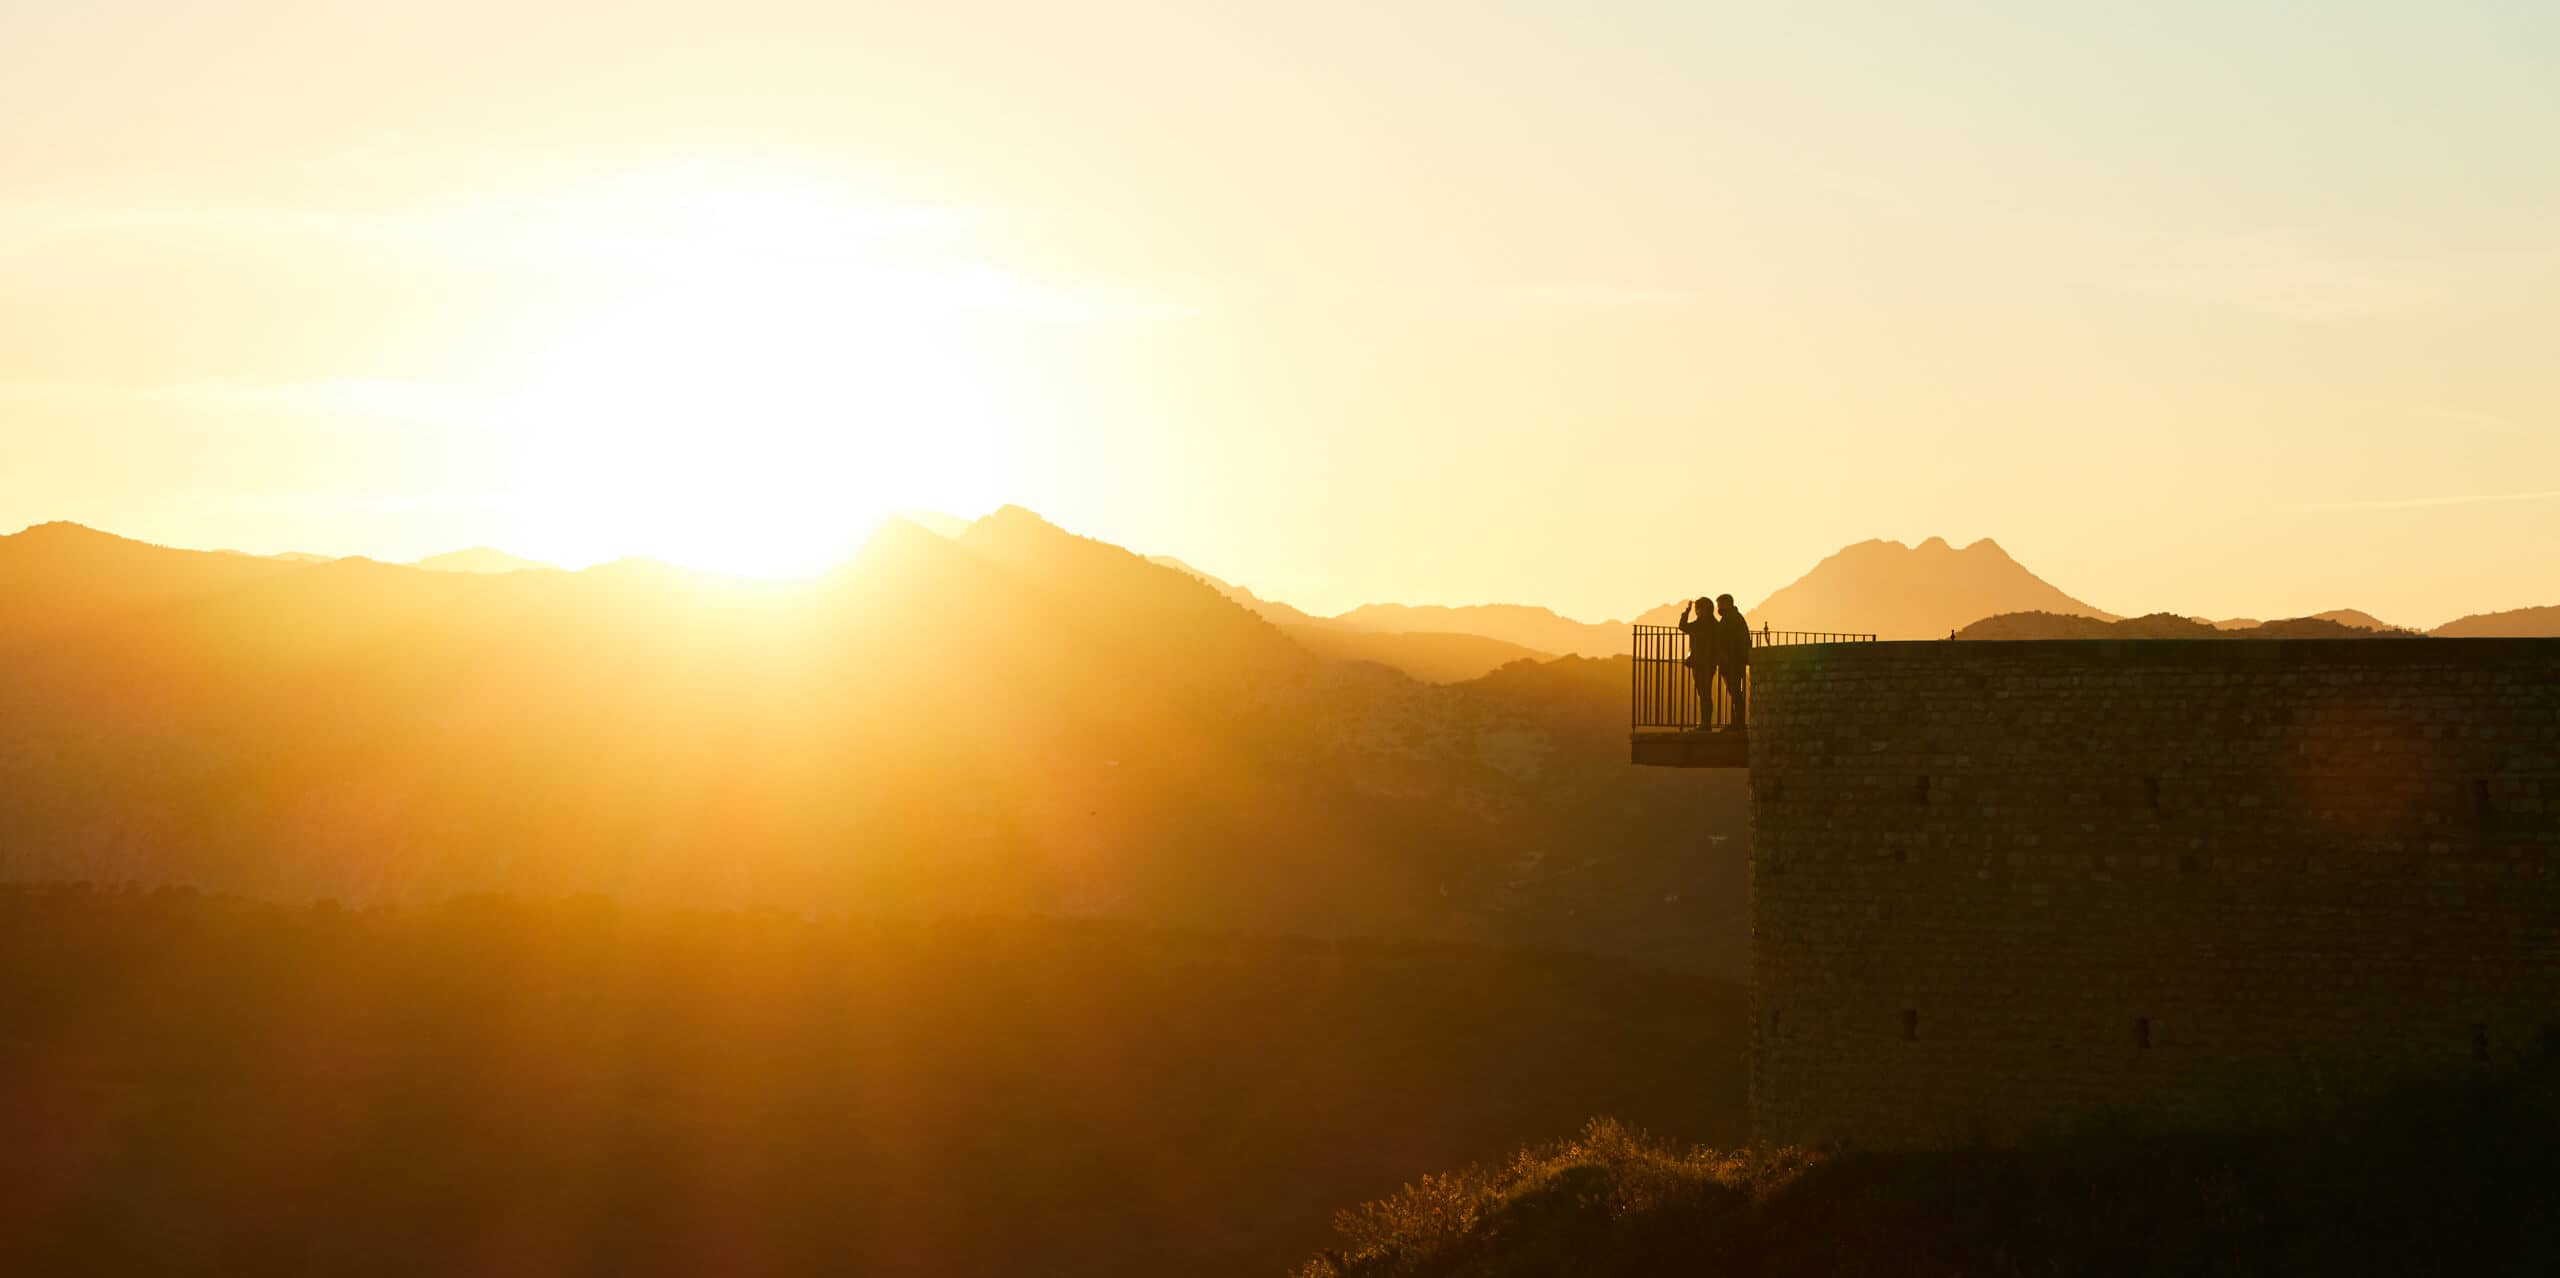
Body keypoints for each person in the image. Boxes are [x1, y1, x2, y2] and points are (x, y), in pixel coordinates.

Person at [1678, 596, 1719, 729]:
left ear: (1703, 610)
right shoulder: (1715, 624)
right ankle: (1705, 722)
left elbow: (1682, 626)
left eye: (1697, 609)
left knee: (1703, 693)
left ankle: (1705, 723)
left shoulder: (1700, 624)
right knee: (1705, 692)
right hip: (1711, 662)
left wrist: (1686, 612)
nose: (1696, 612)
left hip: (1700, 663)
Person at [1714, 594, 1751, 729]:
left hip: (1732, 662)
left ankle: (1738, 723)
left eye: (1719, 605)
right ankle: (1736, 722)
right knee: (1735, 692)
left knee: (1735, 692)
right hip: (1733, 661)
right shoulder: (1735, 618)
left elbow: (1728, 641)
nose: (1718, 608)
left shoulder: (1731, 619)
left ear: (1726, 604)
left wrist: (1727, 657)